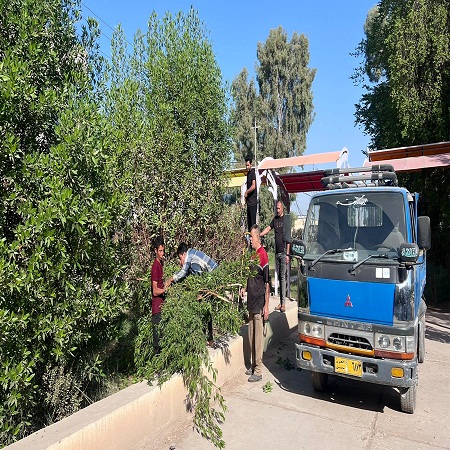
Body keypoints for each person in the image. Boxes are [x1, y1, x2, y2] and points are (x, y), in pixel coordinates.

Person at [165, 243, 218, 344]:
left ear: (184, 254)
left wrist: (170, 280)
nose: (181, 262)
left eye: (180, 259)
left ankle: (207, 338)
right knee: (204, 309)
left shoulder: (190, 257)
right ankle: (208, 338)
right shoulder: (193, 254)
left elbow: (184, 272)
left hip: (213, 279)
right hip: (211, 278)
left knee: (204, 309)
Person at [240, 224, 270, 382]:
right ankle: (252, 366)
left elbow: (267, 283)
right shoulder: (252, 256)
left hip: (259, 302)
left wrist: (266, 306)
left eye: (251, 237)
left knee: (258, 338)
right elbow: (249, 276)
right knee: (251, 335)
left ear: (258, 237)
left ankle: (258, 370)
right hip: (251, 301)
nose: (250, 240)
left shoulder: (263, 255)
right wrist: (244, 288)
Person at [260, 200, 291, 313]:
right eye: (276, 209)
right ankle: (281, 302)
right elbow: (268, 228)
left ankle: (283, 304)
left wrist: (287, 254)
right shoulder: (275, 219)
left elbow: (288, 238)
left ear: (282, 208)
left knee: (282, 277)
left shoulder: (286, 220)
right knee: (279, 278)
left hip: (283, 252)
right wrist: (259, 235)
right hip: (277, 252)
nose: (277, 210)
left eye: (278, 208)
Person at [151, 236, 166, 355]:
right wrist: (166, 289)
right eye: (160, 251)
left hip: (162, 306)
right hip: (157, 308)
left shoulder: (161, 264)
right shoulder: (155, 266)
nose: (162, 253)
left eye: (163, 250)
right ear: (155, 250)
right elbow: (155, 291)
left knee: (163, 337)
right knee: (158, 341)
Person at [244, 157, 257, 232]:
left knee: (253, 226)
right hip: (249, 203)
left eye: (248, 165)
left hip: (253, 203)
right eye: (246, 165)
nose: (247, 167)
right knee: (249, 227)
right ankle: (250, 242)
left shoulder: (252, 173)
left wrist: (247, 192)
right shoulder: (248, 174)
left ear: (251, 165)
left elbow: (253, 186)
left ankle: (255, 241)